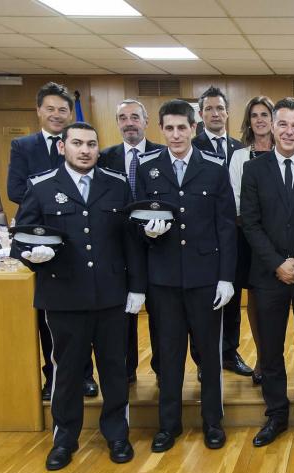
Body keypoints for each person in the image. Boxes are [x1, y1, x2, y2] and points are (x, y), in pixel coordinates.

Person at [12, 121, 145, 470]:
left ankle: (117, 434)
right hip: (64, 297)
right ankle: (64, 439)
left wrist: (137, 287)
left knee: (115, 368)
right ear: (62, 147)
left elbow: (130, 240)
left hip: (111, 296)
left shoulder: (116, 185)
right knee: (68, 371)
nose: (84, 150)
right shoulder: (41, 186)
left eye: (90, 144)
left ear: (98, 148)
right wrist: (32, 255)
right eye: (77, 143)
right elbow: (20, 239)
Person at [135, 99, 237, 453]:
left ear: (194, 128)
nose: (176, 134)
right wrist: (146, 232)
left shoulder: (214, 167)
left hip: (205, 278)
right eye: (169, 128)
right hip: (163, 280)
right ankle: (169, 425)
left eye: (182, 127)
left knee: (209, 355)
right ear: (161, 130)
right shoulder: (147, 168)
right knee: (169, 355)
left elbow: (226, 227)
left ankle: (213, 422)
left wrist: (226, 277)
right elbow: (135, 220)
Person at [241, 97, 294, 448]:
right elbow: (250, 223)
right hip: (268, 275)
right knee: (271, 351)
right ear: (272, 127)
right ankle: (276, 414)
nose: (289, 131)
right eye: (283, 124)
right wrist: (278, 263)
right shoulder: (253, 169)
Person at [5, 81, 96, 400]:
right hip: (44, 238)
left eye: (63, 109)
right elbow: (16, 189)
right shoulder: (23, 146)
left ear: (71, 113)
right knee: (52, 319)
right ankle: (52, 376)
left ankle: (85, 375)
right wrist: (51, 196)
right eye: (51, 109)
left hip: (82, 237)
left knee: (87, 313)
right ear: (39, 111)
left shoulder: (81, 143)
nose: (57, 114)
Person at [97, 98, 162, 384]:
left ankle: (163, 369)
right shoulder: (103, 158)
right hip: (120, 248)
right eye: (123, 118)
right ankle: (127, 371)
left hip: (159, 245)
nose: (129, 123)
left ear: (146, 122)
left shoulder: (162, 154)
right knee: (124, 315)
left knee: (162, 315)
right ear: (117, 123)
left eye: (135, 117)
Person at [190, 86, 253, 380]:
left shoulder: (240, 149)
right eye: (209, 109)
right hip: (201, 237)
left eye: (220, 108)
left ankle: (229, 352)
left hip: (233, 236)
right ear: (201, 115)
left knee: (232, 296)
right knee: (202, 302)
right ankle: (203, 359)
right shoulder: (192, 147)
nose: (215, 114)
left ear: (228, 112)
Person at [229, 96, 275, 385]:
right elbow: (236, 200)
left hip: (284, 238)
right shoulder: (239, 157)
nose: (260, 120)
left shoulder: (286, 152)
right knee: (257, 300)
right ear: (249, 121)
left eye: (265, 114)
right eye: (255, 115)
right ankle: (262, 356)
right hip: (249, 238)